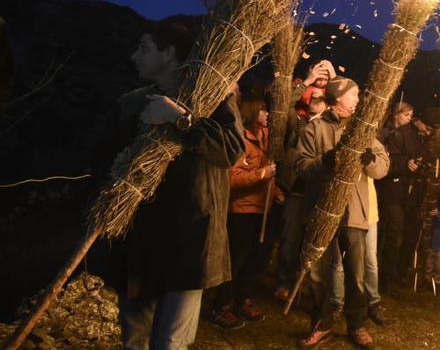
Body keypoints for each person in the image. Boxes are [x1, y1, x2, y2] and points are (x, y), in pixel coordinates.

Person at [93, 18, 245, 349]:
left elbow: (231, 150)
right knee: (135, 337)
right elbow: (103, 163)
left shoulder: (213, 99)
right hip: (137, 238)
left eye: (144, 48)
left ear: (170, 54)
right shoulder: (131, 103)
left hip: (188, 240)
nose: (135, 56)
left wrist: (180, 118)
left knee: (170, 342)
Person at [294, 76, 389, 350]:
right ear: (338, 97)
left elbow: (383, 165)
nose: (358, 99)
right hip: (321, 211)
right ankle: (321, 324)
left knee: (356, 273)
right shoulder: (315, 129)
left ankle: (356, 324)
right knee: (319, 272)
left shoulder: (363, 130)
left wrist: (371, 162)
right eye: (354, 94)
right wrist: (325, 161)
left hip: (354, 212)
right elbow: (301, 167)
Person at [208, 95, 284, 329]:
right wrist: (262, 174)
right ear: (252, 112)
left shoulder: (266, 139)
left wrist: (276, 191)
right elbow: (233, 178)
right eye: (263, 110)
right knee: (237, 260)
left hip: (262, 210)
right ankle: (220, 306)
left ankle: (243, 299)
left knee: (256, 260)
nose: (267, 114)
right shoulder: (242, 140)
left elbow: (269, 176)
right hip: (243, 210)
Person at [275, 63, 333, 300]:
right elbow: (281, 102)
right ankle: (284, 283)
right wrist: (307, 81)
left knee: (312, 242)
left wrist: (334, 75)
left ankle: (308, 287)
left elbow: (345, 102)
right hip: (296, 189)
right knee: (289, 240)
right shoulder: (297, 120)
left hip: (319, 191)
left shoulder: (330, 124)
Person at [376, 101, 428, 294]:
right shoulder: (387, 134)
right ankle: (383, 278)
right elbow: (386, 164)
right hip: (389, 192)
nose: (409, 119)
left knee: (400, 236)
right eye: (406, 115)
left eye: (411, 115)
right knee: (390, 236)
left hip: (406, 194)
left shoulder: (414, 137)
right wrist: (404, 165)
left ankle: (394, 275)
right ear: (396, 115)